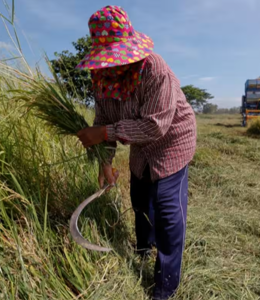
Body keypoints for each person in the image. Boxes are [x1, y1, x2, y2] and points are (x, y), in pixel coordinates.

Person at [76, 6, 196, 300]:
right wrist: (105, 163)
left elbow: (156, 126)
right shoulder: (101, 78)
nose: (111, 66)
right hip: (140, 146)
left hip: (172, 141)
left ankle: (165, 286)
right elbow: (102, 120)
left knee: (168, 213)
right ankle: (143, 247)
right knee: (140, 199)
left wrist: (104, 134)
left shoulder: (153, 68)